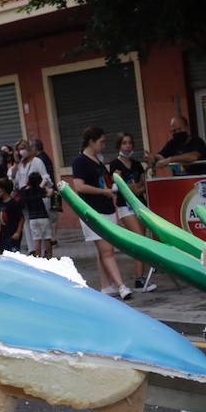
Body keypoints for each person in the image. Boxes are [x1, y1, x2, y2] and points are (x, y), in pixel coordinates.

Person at [71, 126, 131, 299]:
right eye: (102, 142)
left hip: (107, 208)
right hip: (92, 211)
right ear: (91, 141)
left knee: (104, 250)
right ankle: (121, 286)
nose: (104, 145)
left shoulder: (97, 160)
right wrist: (103, 192)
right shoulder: (80, 161)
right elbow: (79, 186)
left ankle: (106, 286)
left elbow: (101, 182)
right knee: (107, 250)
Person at [108, 132, 155, 291]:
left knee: (141, 240)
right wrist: (132, 188)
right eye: (124, 143)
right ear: (119, 146)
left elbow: (143, 184)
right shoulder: (115, 164)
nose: (127, 146)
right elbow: (118, 185)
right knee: (139, 239)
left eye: (129, 143)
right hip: (124, 206)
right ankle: (139, 280)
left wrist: (135, 188)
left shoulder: (136, 164)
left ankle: (140, 279)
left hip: (139, 204)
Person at [21, 170, 53, 258]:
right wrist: (47, 187)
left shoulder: (24, 191)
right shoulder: (39, 190)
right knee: (47, 238)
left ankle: (38, 258)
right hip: (43, 217)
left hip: (32, 218)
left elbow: (24, 191)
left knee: (36, 239)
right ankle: (49, 256)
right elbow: (49, 194)